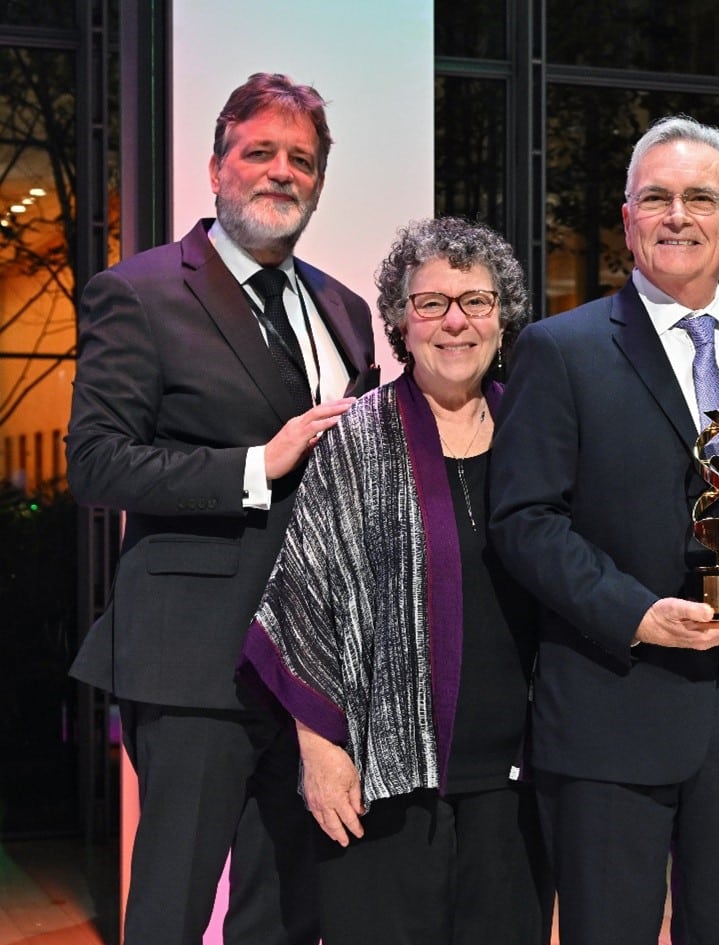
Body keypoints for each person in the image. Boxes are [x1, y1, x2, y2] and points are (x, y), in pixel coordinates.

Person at [66, 73, 377, 945]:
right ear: (216, 166)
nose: (282, 172)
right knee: (172, 906)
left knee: (284, 910)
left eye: (302, 161)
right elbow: (94, 463)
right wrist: (254, 464)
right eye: (260, 152)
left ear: (318, 182)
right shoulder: (140, 292)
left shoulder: (343, 309)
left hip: (311, 666)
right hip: (195, 659)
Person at [488, 115, 719, 945]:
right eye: (656, 197)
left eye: (701, 197)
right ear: (628, 220)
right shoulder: (561, 350)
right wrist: (635, 611)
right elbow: (525, 519)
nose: (679, 215)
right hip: (614, 695)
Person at [240, 217, 551, 945]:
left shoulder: (538, 432)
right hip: (383, 779)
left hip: (520, 775)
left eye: (476, 302)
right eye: (430, 302)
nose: (455, 322)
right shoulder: (354, 437)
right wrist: (321, 754)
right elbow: (303, 602)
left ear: (503, 319)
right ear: (399, 323)